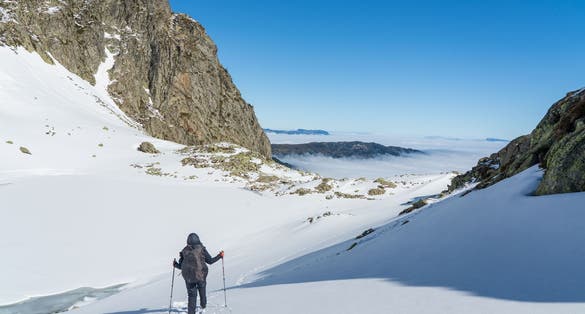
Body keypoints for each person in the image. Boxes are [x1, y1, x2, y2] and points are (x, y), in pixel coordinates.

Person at [173, 233, 224, 314]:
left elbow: (182, 266)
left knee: (192, 296)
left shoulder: (184, 251)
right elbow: (210, 261)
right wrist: (220, 256)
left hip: (189, 278)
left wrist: (175, 264)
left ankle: (191, 312)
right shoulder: (202, 249)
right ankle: (203, 305)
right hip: (201, 275)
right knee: (202, 290)